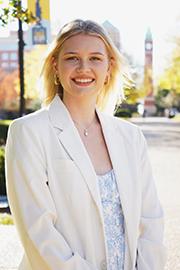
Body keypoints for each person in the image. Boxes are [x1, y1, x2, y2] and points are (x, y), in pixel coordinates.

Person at [5, 19, 166, 270]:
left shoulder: (131, 138)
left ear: (109, 68)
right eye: (72, 58)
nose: (83, 68)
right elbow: (38, 233)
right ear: (55, 66)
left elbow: (151, 221)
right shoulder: (28, 132)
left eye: (95, 58)